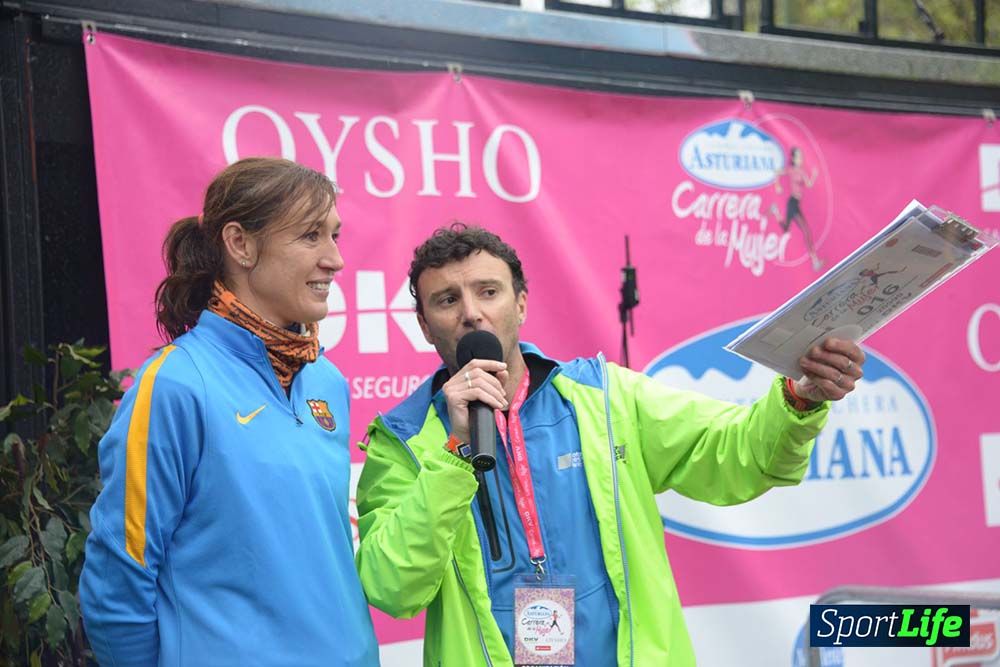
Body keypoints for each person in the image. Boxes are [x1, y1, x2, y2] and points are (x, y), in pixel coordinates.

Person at [355, 223, 865, 666]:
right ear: (424, 325)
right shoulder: (401, 440)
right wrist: (454, 453)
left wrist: (797, 400)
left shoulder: (606, 397)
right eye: (448, 300)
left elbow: (741, 454)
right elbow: (391, 586)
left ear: (521, 303)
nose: (472, 314)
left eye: (488, 292)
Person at [80, 158, 379, 667]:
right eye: (310, 236)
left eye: (334, 235)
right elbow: (118, 583)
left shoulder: (326, 380)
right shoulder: (174, 385)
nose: (335, 259)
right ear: (240, 244)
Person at [774, 146, 823, 271]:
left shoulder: (801, 171)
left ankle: (776, 212)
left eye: (801, 157)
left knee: (786, 228)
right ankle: (815, 261)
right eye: (798, 157)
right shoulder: (791, 170)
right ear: (793, 158)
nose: (800, 159)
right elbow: (777, 172)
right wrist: (777, 185)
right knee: (805, 231)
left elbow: (809, 184)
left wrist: (814, 175)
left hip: (796, 203)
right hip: (792, 203)